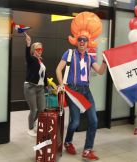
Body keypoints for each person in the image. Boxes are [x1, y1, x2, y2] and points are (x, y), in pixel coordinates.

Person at [56, 32, 107, 162]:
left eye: (84, 40)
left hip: (86, 91)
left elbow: (100, 71)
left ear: (87, 43)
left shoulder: (90, 58)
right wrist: (61, 85)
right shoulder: (69, 53)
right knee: (75, 122)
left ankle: (87, 150)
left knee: (94, 121)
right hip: (73, 91)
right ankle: (68, 142)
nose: (82, 42)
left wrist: (105, 62)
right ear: (76, 42)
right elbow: (58, 69)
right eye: (80, 40)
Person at [23, 34, 47, 137]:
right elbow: (27, 56)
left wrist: (47, 85)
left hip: (40, 88)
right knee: (34, 110)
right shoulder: (31, 59)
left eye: (41, 49)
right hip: (30, 87)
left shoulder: (40, 61)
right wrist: (28, 44)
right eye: (37, 49)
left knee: (42, 108)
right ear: (33, 50)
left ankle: (34, 121)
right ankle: (30, 128)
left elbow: (43, 75)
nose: (40, 51)